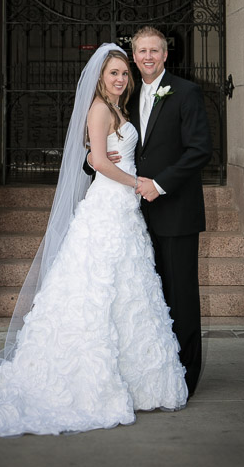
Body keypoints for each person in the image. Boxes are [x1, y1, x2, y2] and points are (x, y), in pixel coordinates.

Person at [0, 43, 187, 437]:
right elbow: (98, 160)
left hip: (124, 211)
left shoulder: (119, 110)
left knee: (128, 288)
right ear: (100, 77)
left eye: (124, 73)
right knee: (96, 287)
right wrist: (137, 183)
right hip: (109, 205)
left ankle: (139, 380)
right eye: (114, 73)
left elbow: (111, 155)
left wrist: (132, 181)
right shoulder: (98, 108)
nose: (121, 79)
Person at [87, 27, 211, 395]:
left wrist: (158, 184)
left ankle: (185, 378)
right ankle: (154, 372)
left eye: (154, 51)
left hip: (175, 211)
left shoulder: (186, 92)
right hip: (135, 215)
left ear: (165, 55)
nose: (147, 57)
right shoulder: (126, 95)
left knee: (180, 296)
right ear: (134, 54)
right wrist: (94, 159)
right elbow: (109, 145)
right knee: (146, 299)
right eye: (141, 51)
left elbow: (200, 150)